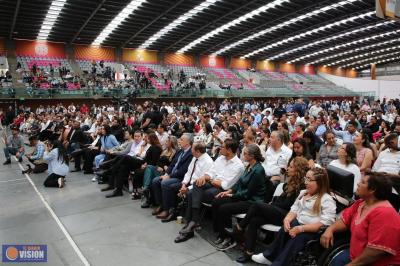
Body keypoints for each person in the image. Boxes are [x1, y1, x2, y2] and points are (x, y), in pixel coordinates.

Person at [251, 167, 336, 266]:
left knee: (298, 238)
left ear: (320, 182)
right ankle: (269, 256)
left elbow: (326, 223)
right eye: (306, 178)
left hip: (313, 232)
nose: (306, 182)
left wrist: (301, 229)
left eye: (309, 179)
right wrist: (287, 219)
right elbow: (294, 209)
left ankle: (280, 263)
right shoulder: (303, 193)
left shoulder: (327, 200)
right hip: (299, 224)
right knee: (286, 228)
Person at [233, 157, 309, 263]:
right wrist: (274, 203)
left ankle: (240, 227)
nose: (288, 168)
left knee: (257, 205)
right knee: (255, 220)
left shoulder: (302, 186)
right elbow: (281, 199)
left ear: (298, 170)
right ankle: (248, 252)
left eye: (291, 167)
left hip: (287, 216)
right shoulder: (291, 181)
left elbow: (288, 205)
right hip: (278, 210)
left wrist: (273, 203)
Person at [321, 172, 400, 266]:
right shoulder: (361, 203)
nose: (358, 183)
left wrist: (351, 264)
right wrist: (330, 229)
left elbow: (377, 251)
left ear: (372, 189)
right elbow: (344, 220)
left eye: (362, 182)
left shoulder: (385, 213)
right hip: (354, 256)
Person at [211, 144, 267, 251]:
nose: (242, 155)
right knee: (217, 201)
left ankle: (230, 237)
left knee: (224, 208)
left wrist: (231, 195)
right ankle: (221, 232)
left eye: (245, 153)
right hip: (243, 196)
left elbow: (249, 193)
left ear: (252, 156)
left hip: (252, 201)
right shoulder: (249, 165)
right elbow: (239, 184)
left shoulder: (258, 170)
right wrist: (228, 191)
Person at [151, 133, 193, 222]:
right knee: (155, 180)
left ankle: (167, 209)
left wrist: (169, 176)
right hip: (172, 174)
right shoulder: (180, 151)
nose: (179, 141)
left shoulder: (191, 154)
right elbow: (172, 165)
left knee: (165, 183)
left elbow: (183, 171)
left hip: (181, 178)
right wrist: (166, 174)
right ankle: (161, 205)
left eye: (181, 139)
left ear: (188, 142)